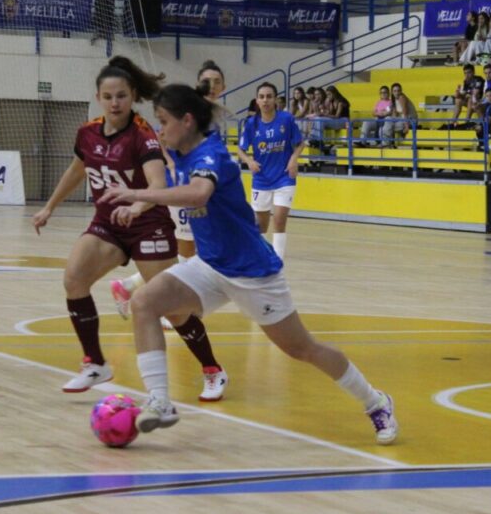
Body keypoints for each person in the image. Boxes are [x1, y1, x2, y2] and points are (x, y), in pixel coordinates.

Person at [99, 82, 398, 443]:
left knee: (302, 349)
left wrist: (135, 192)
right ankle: (160, 402)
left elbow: (197, 193)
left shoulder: (212, 156)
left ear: (187, 121)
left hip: (253, 273)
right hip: (210, 265)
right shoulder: (179, 153)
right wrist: (139, 206)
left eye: (164, 121)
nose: (160, 129)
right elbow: (177, 188)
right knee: (145, 302)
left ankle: (376, 401)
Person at [31, 56, 227, 400]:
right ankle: (94, 363)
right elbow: (77, 170)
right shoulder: (88, 133)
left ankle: (212, 369)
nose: (115, 102)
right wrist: (50, 206)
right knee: (74, 278)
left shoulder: (143, 135)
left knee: (173, 308)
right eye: (108, 97)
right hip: (108, 224)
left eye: (121, 96)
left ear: (132, 96)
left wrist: (137, 205)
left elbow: (157, 182)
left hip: (148, 225)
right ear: (98, 98)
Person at [110, 60, 228, 345]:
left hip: (206, 193)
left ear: (223, 86)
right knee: (188, 253)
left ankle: (129, 286)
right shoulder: (185, 111)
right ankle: (170, 310)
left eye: (216, 81)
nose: (211, 85)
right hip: (183, 190)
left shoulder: (212, 117)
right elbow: (159, 136)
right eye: (207, 80)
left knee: (197, 254)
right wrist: (172, 164)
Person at [237, 82, 304, 259]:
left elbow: (300, 143)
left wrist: (293, 159)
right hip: (262, 179)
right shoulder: (252, 124)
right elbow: (240, 150)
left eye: (269, 96)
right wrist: (249, 161)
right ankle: (259, 256)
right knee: (261, 226)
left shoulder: (286, 119)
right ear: (257, 101)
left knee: (279, 220)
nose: (265, 100)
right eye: (262, 97)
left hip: (284, 177)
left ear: (275, 99)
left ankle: (277, 262)